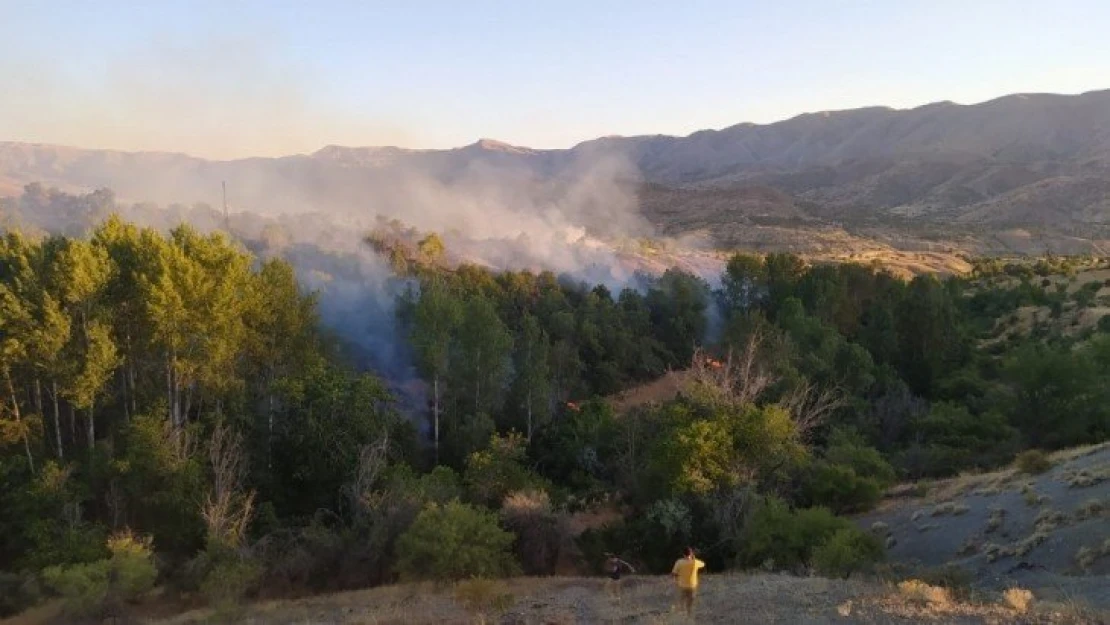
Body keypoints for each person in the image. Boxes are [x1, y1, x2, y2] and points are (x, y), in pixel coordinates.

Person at [671, 546, 705, 618]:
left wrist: (675, 580)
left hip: (682, 586)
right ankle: (689, 616)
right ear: (691, 553)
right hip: (692, 586)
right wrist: (694, 558)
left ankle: (679, 616)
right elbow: (703, 564)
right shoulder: (695, 562)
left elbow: (674, 573)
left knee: (681, 602)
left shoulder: (679, 562)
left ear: (683, 554)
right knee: (690, 604)